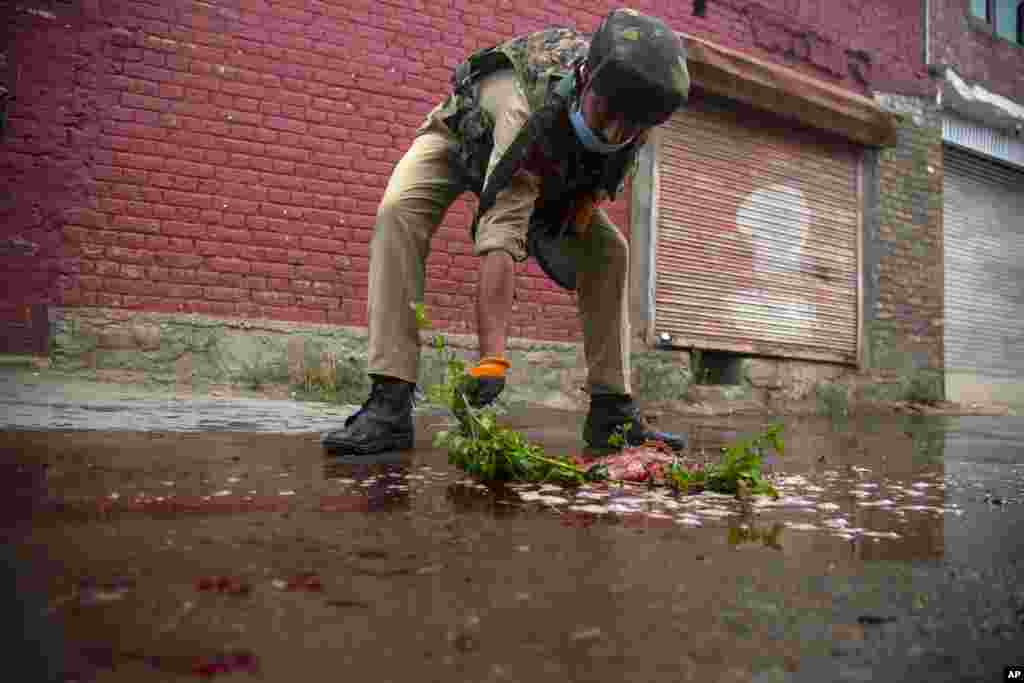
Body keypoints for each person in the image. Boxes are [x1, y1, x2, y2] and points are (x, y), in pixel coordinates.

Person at [322, 8, 691, 455]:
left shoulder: (639, 114)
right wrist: (492, 357)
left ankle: (612, 413)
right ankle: (389, 404)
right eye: (607, 114)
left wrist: (566, 220)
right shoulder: (526, 109)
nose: (614, 131)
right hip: (462, 141)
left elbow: (602, 178)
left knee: (611, 251)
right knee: (399, 211)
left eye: (630, 126)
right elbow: (500, 230)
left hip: (547, 175)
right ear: (585, 80)